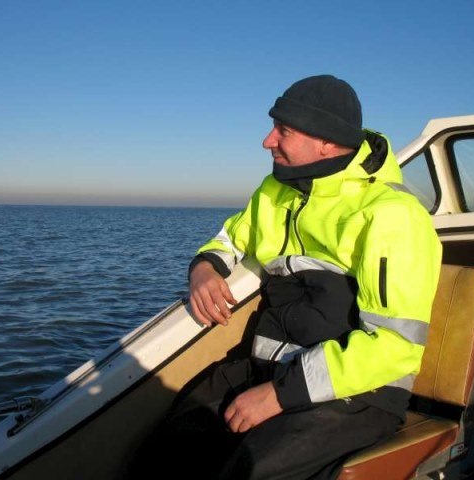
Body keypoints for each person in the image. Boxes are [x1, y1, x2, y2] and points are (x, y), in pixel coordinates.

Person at [130, 74, 442, 480]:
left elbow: (395, 347)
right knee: (164, 452)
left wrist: (280, 395)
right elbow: (231, 238)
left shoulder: (392, 216)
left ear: (327, 142)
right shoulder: (273, 191)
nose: (267, 140)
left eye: (284, 130)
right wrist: (205, 269)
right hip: (266, 368)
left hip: (356, 391)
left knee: (247, 472)